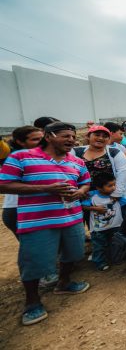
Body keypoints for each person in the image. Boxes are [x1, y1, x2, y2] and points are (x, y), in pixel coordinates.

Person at [0, 122, 91, 326]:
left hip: (72, 217)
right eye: (65, 136)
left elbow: (86, 182)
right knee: (33, 262)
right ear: (48, 136)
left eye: (73, 136)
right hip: (37, 221)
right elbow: (3, 184)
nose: (71, 140)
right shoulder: (21, 157)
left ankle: (65, 282)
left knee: (73, 254)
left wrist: (81, 192)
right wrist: (46, 188)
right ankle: (32, 302)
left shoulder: (77, 161)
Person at [81, 172, 126, 271]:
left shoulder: (116, 196)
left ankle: (115, 258)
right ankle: (100, 263)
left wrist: (120, 197)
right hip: (98, 229)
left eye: (114, 184)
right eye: (110, 186)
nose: (113, 187)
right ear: (99, 188)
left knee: (115, 243)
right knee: (99, 246)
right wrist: (95, 208)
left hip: (116, 226)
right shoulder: (92, 196)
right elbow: (83, 206)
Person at [2, 126, 43, 237]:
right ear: (20, 142)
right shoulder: (14, 157)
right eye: (35, 139)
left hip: (42, 207)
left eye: (42, 138)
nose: (41, 142)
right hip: (19, 209)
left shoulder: (47, 155)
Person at [72, 125, 126, 198]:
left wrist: (116, 194)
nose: (100, 138)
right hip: (82, 196)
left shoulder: (115, 153)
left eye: (105, 136)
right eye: (97, 135)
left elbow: (122, 173)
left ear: (108, 139)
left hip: (109, 196)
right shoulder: (76, 152)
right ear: (88, 136)